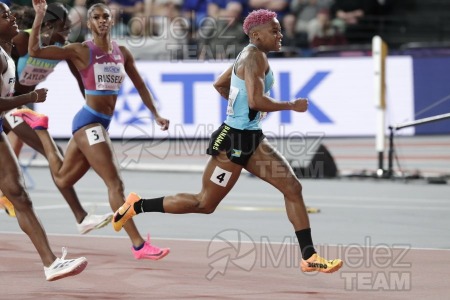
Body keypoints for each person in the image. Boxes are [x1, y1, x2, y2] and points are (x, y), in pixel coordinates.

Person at [112, 9, 344, 273]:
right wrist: (291, 105)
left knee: (292, 188)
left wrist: (242, 109)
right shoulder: (254, 57)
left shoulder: (251, 55)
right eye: (275, 30)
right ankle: (136, 205)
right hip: (233, 141)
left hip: (250, 138)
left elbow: (221, 85)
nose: (281, 34)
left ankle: (309, 256)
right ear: (256, 35)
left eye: (280, 29)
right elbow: (256, 100)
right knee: (204, 203)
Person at [14, 0, 171, 260]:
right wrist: (40, 15)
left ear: (111, 20)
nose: (101, 21)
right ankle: (139, 245)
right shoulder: (80, 50)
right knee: (115, 182)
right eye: (96, 17)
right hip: (90, 122)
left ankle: (41, 129)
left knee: (63, 178)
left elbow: (141, 86)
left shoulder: (123, 52)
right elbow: (36, 50)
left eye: (105, 17)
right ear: (89, 23)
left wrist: (155, 113)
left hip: (99, 124)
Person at [0, 2, 114, 235]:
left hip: (23, 104)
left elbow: (82, 82)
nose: (67, 33)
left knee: (41, 153)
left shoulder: (62, 48)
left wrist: (97, 114)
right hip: (9, 105)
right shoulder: (22, 40)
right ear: (48, 26)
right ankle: (81, 218)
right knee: (51, 152)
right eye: (64, 28)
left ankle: (5, 195)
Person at [0, 2, 87, 281]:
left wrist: (38, 15)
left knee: (18, 194)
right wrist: (30, 99)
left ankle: (50, 263)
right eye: (4, 16)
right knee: (18, 193)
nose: (12, 17)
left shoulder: (9, 49)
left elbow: (36, 45)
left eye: (10, 12)